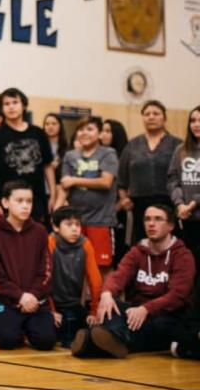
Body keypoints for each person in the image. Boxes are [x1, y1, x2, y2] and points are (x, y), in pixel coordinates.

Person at [72, 204, 196, 358]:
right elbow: (118, 276)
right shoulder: (137, 251)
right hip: (136, 314)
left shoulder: (182, 255)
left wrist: (146, 309)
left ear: (170, 226)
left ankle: (93, 343)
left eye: (158, 219)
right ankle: (115, 340)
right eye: (147, 219)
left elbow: (178, 295)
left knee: (159, 324)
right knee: (113, 305)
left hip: (168, 315)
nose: (151, 223)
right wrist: (107, 294)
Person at [0, 180, 56, 351]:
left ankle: (27, 328)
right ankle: (4, 324)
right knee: (6, 340)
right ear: (5, 202)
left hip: (36, 300)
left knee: (46, 341)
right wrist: (20, 296)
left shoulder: (39, 231)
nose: (25, 206)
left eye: (29, 201)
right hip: (7, 301)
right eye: (20, 201)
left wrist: (32, 296)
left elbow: (45, 271)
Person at [0, 88, 55, 224]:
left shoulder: (38, 133)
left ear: (24, 106)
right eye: (6, 104)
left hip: (36, 200)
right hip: (6, 201)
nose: (11, 107)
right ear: (2, 108)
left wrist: (53, 196)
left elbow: (48, 167)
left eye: (15, 102)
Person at [57, 117, 118, 275]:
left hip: (100, 219)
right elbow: (64, 185)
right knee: (76, 266)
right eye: (81, 129)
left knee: (102, 266)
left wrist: (74, 180)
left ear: (99, 133)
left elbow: (106, 182)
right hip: (75, 221)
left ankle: (102, 299)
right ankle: (83, 300)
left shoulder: (108, 153)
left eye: (90, 129)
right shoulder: (70, 156)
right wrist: (56, 211)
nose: (85, 133)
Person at [118, 100, 182, 243]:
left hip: (169, 203)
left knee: (169, 244)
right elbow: (121, 179)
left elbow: (183, 176)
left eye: (156, 113)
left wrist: (181, 203)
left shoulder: (177, 144)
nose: (151, 117)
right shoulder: (132, 145)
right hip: (139, 204)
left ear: (164, 118)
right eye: (147, 114)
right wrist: (124, 199)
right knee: (142, 244)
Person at [47, 207, 101, 347]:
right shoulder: (50, 242)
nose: (75, 229)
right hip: (52, 304)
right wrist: (51, 310)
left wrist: (94, 311)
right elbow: (44, 280)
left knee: (86, 331)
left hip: (74, 304)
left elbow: (95, 280)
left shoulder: (85, 244)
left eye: (77, 224)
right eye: (69, 224)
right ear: (55, 227)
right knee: (50, 337)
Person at [168, 105, 200, 267]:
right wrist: (180, 204)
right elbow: (173, 179)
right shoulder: (181, 150)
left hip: (194, 210)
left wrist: (193, 204)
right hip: (186, 217)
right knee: (187, 263)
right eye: (193, 120)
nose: (196, 124)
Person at [102, 118, 131, 265]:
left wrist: (114, 210)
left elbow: (128, 188)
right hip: (100, 214)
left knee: (118, 255)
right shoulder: (99, 156)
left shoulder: (125, 157)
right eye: (102, 131)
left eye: (108, 131)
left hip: (118, 213)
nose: (103, 135)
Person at [43, 113, 68, 181]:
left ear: (60, 126)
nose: (50, 127)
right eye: (47, 124)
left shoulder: (66, 148)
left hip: (59, 186)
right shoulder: (40, 145)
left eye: (54, 124)